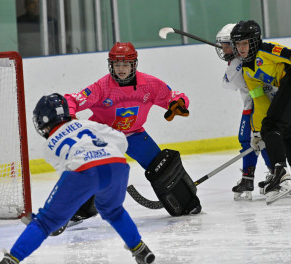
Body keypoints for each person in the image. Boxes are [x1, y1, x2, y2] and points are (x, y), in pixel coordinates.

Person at [0, 93, 156, 264]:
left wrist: (59, 214)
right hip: (117, 165)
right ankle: (141, 250)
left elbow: (71, 174)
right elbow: (120, 140)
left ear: (43, 120)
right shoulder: (87, 124)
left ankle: (10, 261)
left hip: (84, 171)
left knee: (44, 222)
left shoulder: (49, 145)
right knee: (114, 211)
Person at [64, 42, 202, 217]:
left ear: (133, 65)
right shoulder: (101, 87)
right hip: (105, 136)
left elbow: (173, 96)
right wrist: (70, 117)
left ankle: (186, 202)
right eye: (116, 64)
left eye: (125, 64)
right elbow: (72, 99)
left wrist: (179, 103)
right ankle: (79, 210)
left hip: (135, 134)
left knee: (163, 167)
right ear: (111, 65)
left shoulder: (150, 84)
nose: (121, 69)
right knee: (94, 169)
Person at [230, 20, 291, 204]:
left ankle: (281, 174)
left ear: (255, 41)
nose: (241, 48)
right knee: (283, 131)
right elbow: (260, 100)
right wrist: (257, 132)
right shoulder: (248, 71)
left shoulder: (266, 50)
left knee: (272, 125)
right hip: (285, 88)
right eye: (238, 44)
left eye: (245, 43)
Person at [215, 23, 275, 200]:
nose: (223, 49)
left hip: (258, 105)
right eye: (222, 45)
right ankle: (250, 178)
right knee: (248, 140)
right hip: (253, 104)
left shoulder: (238, 66)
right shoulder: (240, 61)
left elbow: (230, 84)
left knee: (257, 139)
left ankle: (273, 174)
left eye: (227, 45)